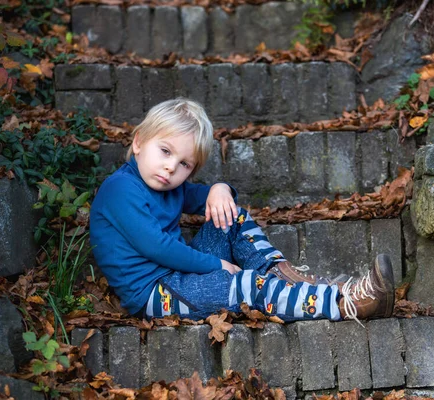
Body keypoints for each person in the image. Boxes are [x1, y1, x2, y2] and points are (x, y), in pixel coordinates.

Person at [90, 98, 395, 323]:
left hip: (180, 275)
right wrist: (217, 265)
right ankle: (347, 303)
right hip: (156, 294)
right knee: (246, 286)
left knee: (229, 214)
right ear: (139, 142)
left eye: (184, 164)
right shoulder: (121, 190)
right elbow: (158, 248)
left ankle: (283, 276)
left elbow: (204, 197)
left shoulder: (169, 186)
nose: (171, 167)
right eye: (165, 151)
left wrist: (219, 188)